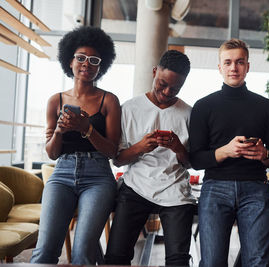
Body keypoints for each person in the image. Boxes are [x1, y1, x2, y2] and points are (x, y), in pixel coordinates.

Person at [30, 26, 121, 265]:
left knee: (83, 252)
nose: (86, 64)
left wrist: (87, 129)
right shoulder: (55, 101)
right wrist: (59, 131)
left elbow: (113, 151)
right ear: (69, 61)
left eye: (94, 60)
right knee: (45, 251)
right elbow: (52, 153)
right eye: (80, 58)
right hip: (61, 174)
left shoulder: (109, 101)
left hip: (98, 177)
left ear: (101, 66)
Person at [189, 39, 269, 267]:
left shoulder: (266, 107)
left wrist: (264, 155)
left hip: (256, 188)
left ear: (247, 66)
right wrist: (226, 151)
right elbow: (195, 159)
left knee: (258, 261)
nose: (234, 68)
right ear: (219, 67)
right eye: (228, 62)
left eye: (240, 62)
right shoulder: (203, 106)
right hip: (215, 189)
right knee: (212, 262)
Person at [104, 50, 196, 266]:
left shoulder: (189, 114)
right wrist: (141, 147)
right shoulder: (128, 108)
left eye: (175, 89)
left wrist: (178, 148)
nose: (166, 92)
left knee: (178, 260)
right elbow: (118, 160)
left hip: (175, 190)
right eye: (162, 83)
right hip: (136, 186)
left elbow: (190, 163)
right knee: (115, 257)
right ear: (155, 72)